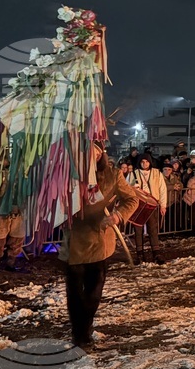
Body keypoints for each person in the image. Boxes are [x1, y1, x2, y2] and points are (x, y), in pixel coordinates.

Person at [59, 141, 138, 348]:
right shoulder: (66, 174)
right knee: (75, 292)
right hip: (74, 240)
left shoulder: (112, 174)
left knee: (93, 292)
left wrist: (117, 216)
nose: (89, 154)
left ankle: (85, 325)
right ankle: (79, 332)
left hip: (100, 240)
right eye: (84, 149)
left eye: (93, 150)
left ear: (100, 151)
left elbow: (132, 199)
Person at [129, 154, 168, 264]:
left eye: (146, 162)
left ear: (150, 162)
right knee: (138, 230)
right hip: (138, 206)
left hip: (152, 205)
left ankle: (156, 253)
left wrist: (163, 205)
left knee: (153, 229)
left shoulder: (157, 173)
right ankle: (140, 254)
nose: (144, 164)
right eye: (142, 162)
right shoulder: (134, 174)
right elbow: (127, 188)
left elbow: (162, 189)